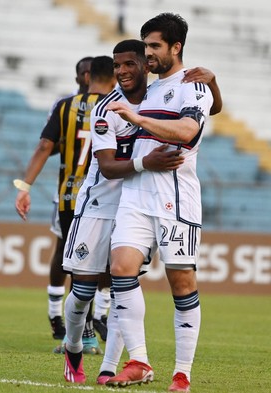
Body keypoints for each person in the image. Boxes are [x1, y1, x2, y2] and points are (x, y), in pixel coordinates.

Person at [61, 38, 222, 386]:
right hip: (99, 205)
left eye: (129, 64)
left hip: (135, 202)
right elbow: (106, 167)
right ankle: (73, 344)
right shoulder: (108, 108)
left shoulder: (158, 95)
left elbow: (203, 109)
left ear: (146, 65)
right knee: (82, 294)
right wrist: (145, 162)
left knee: (122, 283)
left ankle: (115, 365)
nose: (121, 71)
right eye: (117, 66)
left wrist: (213, 84)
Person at [103, 13, 216, 392]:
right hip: (137, 192)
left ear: (176, 47)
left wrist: (137, 119)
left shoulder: (191, 87)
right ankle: (138, 360)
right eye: (145, 46)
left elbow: (188, 131)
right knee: (121, 268)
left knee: (180, 281)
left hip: (175, 198)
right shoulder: (148, 89)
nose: (147, 54)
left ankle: (181, 373)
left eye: (154, 46)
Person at [13, 55, 116, 353]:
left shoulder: (65, 106)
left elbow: (45, 146)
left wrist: (25, 187)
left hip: (71, 198)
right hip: (108, 198)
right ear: (113, 77)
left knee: (76, 267)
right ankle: (98, 329)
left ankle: (82, 335)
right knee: (109, 266)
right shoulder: (116, 106)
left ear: (88, 76)